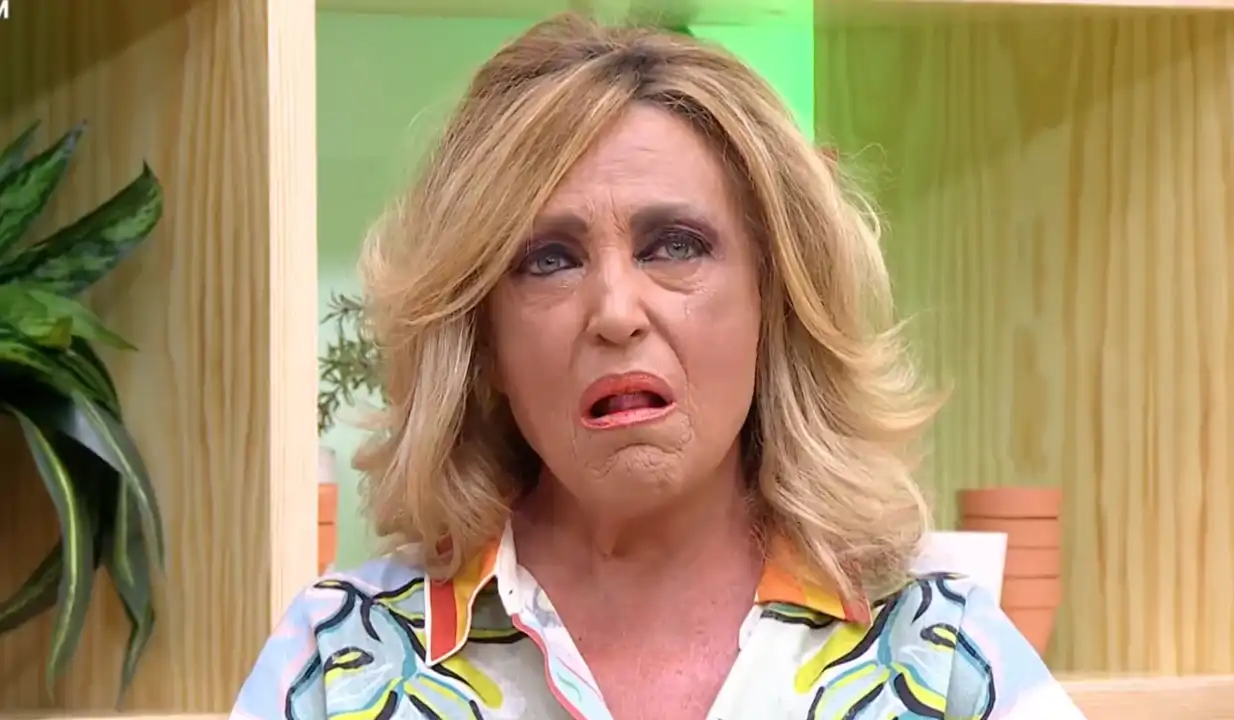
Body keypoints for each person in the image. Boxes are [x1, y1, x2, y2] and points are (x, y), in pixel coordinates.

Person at [232, 13, 1084, 720]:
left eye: (674, 245)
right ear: (482, 339)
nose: (615, 311)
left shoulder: (944, 661)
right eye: (549, 259)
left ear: (774, 302)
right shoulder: (337, 668)